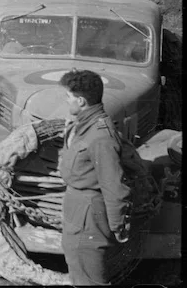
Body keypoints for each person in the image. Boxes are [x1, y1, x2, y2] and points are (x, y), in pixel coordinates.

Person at [58, 69, 137, 285]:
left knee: (89, 280)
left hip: (89, 218)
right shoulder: (85, 127)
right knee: (79, 273)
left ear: (81, 101)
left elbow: (113, 185)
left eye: (69, 97)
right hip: (79, 214)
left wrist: (118, 225)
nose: (66, 101)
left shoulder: (100, 136)